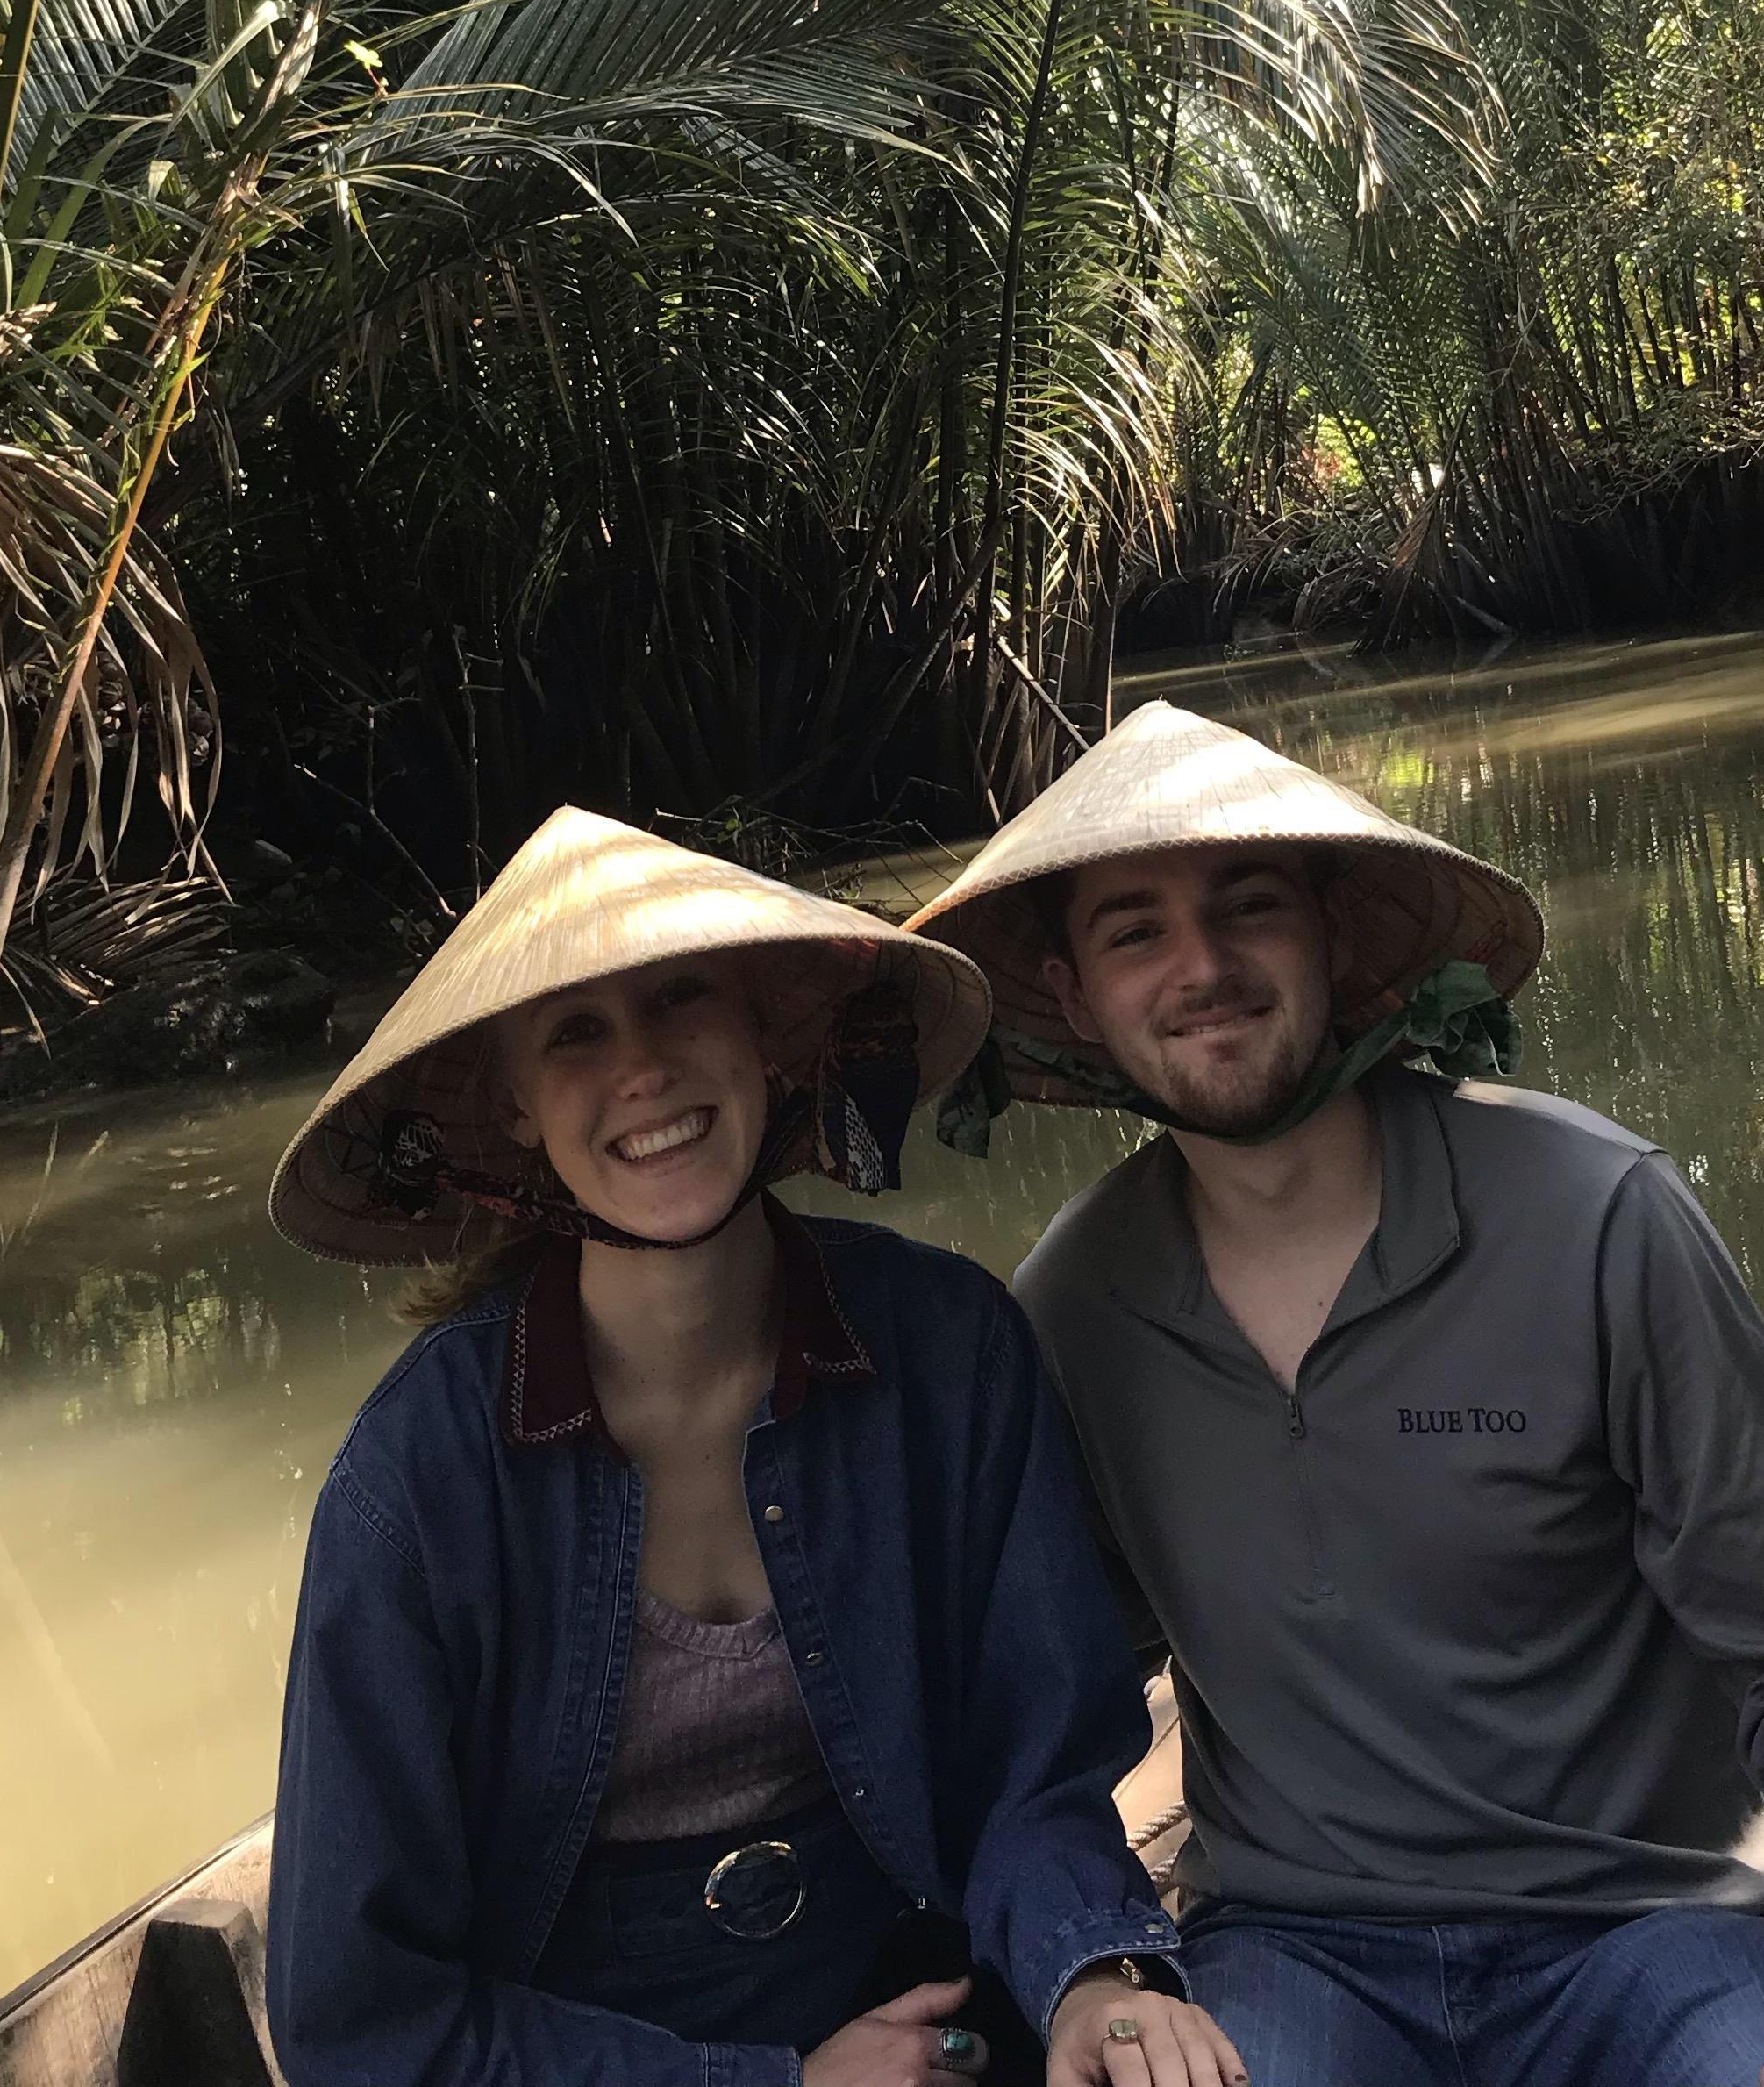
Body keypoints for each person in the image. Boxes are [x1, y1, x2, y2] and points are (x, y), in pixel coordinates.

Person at [901, 703, 1764, 2087]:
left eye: (1249, 905)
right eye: (1135, 931)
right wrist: (1097, 1968)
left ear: (1335, 939)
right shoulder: (1075, 1306)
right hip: (1299, 1949)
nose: (1203, 965)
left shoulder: (1597, 1215)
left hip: (1651, 1929)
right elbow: (1052, 1710)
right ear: (1074, 995)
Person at [263, 802, 1250, 2087]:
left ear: (763, 1037)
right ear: (516, 1106)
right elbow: (359, 2015)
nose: (645, 1070)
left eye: (681, 1001)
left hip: (933, 2001)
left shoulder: (947, 1351)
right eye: (576, 1033)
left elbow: (1037, 1767)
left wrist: (1091, 1976)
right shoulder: (422, 1479)